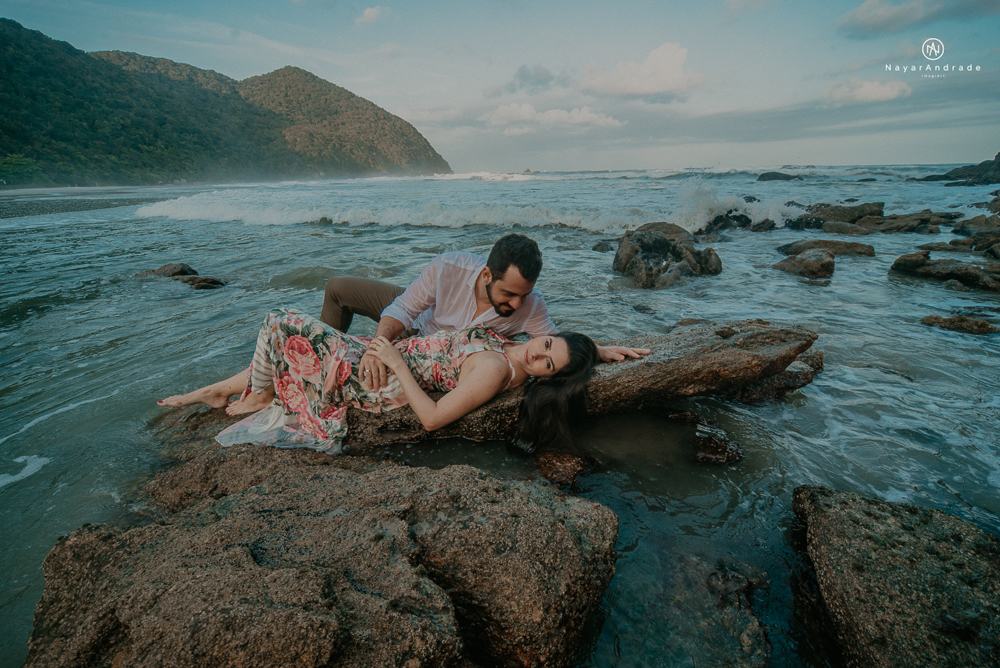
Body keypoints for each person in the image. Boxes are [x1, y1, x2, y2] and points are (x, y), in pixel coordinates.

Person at [158, 308, 600, 454]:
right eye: (547, 345)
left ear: (546, 379)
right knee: (296, 344)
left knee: (280, 321)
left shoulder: (494, 371)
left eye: (546, 365)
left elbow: (431, 418)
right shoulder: (514, 343)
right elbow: (564, 351)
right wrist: (600, 349)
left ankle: (257, 395)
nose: (536, 354)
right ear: (547, 335)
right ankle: (222, 390)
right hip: (380, 356)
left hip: (378, 381)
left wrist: (392, 358)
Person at [320, 233, 649, 392]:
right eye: (509, 294)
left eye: (525, 295)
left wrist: (599, 350)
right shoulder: (448, 267)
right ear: (487, 275)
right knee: (338, 288)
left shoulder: (529, 304)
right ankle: (324, 362)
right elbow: (404, 308)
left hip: (443, 355)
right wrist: (379, 349)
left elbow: (556, 341)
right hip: (419, 325)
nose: (517, 305)